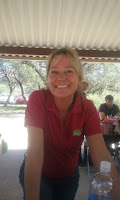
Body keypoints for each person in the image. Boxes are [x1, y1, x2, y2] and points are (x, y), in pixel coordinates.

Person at [19, 48, 120, 200]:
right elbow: (35, 152)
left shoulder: (87, 107)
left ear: (79, 79)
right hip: (39, 174)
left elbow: (100, 152)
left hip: (69, 177)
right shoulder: (38, 99)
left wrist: (117, 191)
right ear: (48, 78)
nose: (61, 78)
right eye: (54, 72)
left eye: (69, 71)